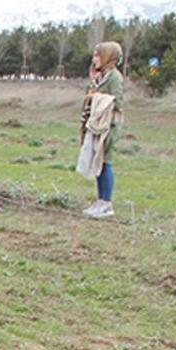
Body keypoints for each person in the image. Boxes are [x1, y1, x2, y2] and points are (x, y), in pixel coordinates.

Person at [79, 41, 124, 219]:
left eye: (98, 55)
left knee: (106, 162)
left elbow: (117, 102)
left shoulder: (114, 77)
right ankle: (100, 200)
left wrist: (95, 97)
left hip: (108, 126)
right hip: (97, 126)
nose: (94, 59)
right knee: (98, 161)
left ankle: (106, 203)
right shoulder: (100, 76)